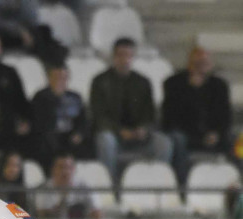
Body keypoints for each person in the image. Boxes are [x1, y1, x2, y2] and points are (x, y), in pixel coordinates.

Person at [90, 38, 172, 181]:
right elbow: (99, 116)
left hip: (138, 137)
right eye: (121, 55)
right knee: (105, 140)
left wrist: (143, 129)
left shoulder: (143, 82)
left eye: (129, 55)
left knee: (163, 142)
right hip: (114, 135)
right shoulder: (100, 81)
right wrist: (120, 131)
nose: (125, 59)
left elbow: (149, 114)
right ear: (114, 57)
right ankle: (110, 185)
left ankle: (156, 183)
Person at [162, 47, 232, 183]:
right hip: (186, 134)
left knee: (235, 140)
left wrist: (216, 133)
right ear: (190, 63)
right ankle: (181, 184)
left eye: (205, 63)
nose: (201, 67)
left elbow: (225, 116)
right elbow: (170, 117)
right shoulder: (174, 83)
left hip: (213, 134)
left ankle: (233, 184)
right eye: (198, 63)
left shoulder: (219, 85)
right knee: (177, 139)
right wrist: (192, 91)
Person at [31, 63, 91, 170]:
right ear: (49, 78)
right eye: (56, 77)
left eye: (63, 78)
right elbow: (38, 122)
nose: (60, 81)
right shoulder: (40, 97)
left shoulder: (75, 97)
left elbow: (83, 121)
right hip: (49, 137)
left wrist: (79, 133)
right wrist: (55, 98)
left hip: (70, 136)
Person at [34, 152, 101, 219]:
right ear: (53, 170)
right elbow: (41, 215)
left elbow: (97, 214)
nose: (65, 172)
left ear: (74, 169)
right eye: (61, 167)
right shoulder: (43, 188)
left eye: (69, 167)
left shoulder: (86, 187)